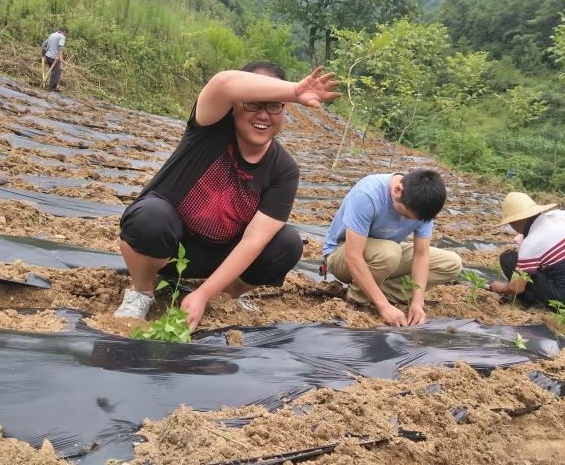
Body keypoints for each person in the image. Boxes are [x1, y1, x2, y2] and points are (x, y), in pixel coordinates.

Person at [114, 62, 340, 330]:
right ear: (234, 105)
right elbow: (223, 83)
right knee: (149, 217)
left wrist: (203, 294)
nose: (263, 115)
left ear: (284, 110)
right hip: (171, 248)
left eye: (274, 105)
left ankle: (228, 296)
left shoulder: (284, 169)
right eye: (253, 104)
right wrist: (294, 90)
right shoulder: (209, 127)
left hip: (222, 256)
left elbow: (255, 241)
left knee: (287, 244)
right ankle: (141, 291)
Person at [321, 169, 462, 327]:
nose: (408, 221)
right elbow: (352, 257)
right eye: (406, 216)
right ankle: (357, 299)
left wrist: (417, 302)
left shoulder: (423, 204)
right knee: (390, 252)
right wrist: (384, 307)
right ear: (397, 190)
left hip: (383, 254)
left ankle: (375, 291)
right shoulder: (368, 194)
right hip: (341, 254)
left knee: (451, 263)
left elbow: (421, 255)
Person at [489, 192, 565, 316]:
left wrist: (500, 288)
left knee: (508, 259)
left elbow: (516, 288)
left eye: (510, 223)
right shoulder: (559, 220)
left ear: (517, 221)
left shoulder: (531, 243)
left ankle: (533, 302)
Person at [43, 27, 67, 92]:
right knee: (56, 73)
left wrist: (43, 53)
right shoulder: (62, 36)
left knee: (55, 72)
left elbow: (44, 44)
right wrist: (61, 58)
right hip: (54, 57)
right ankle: (51, 89)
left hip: (48, 56)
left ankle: (51, 87)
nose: (65, 36)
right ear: (64, 32)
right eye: (65, 34)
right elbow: (61, 47)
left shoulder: (52, 34)